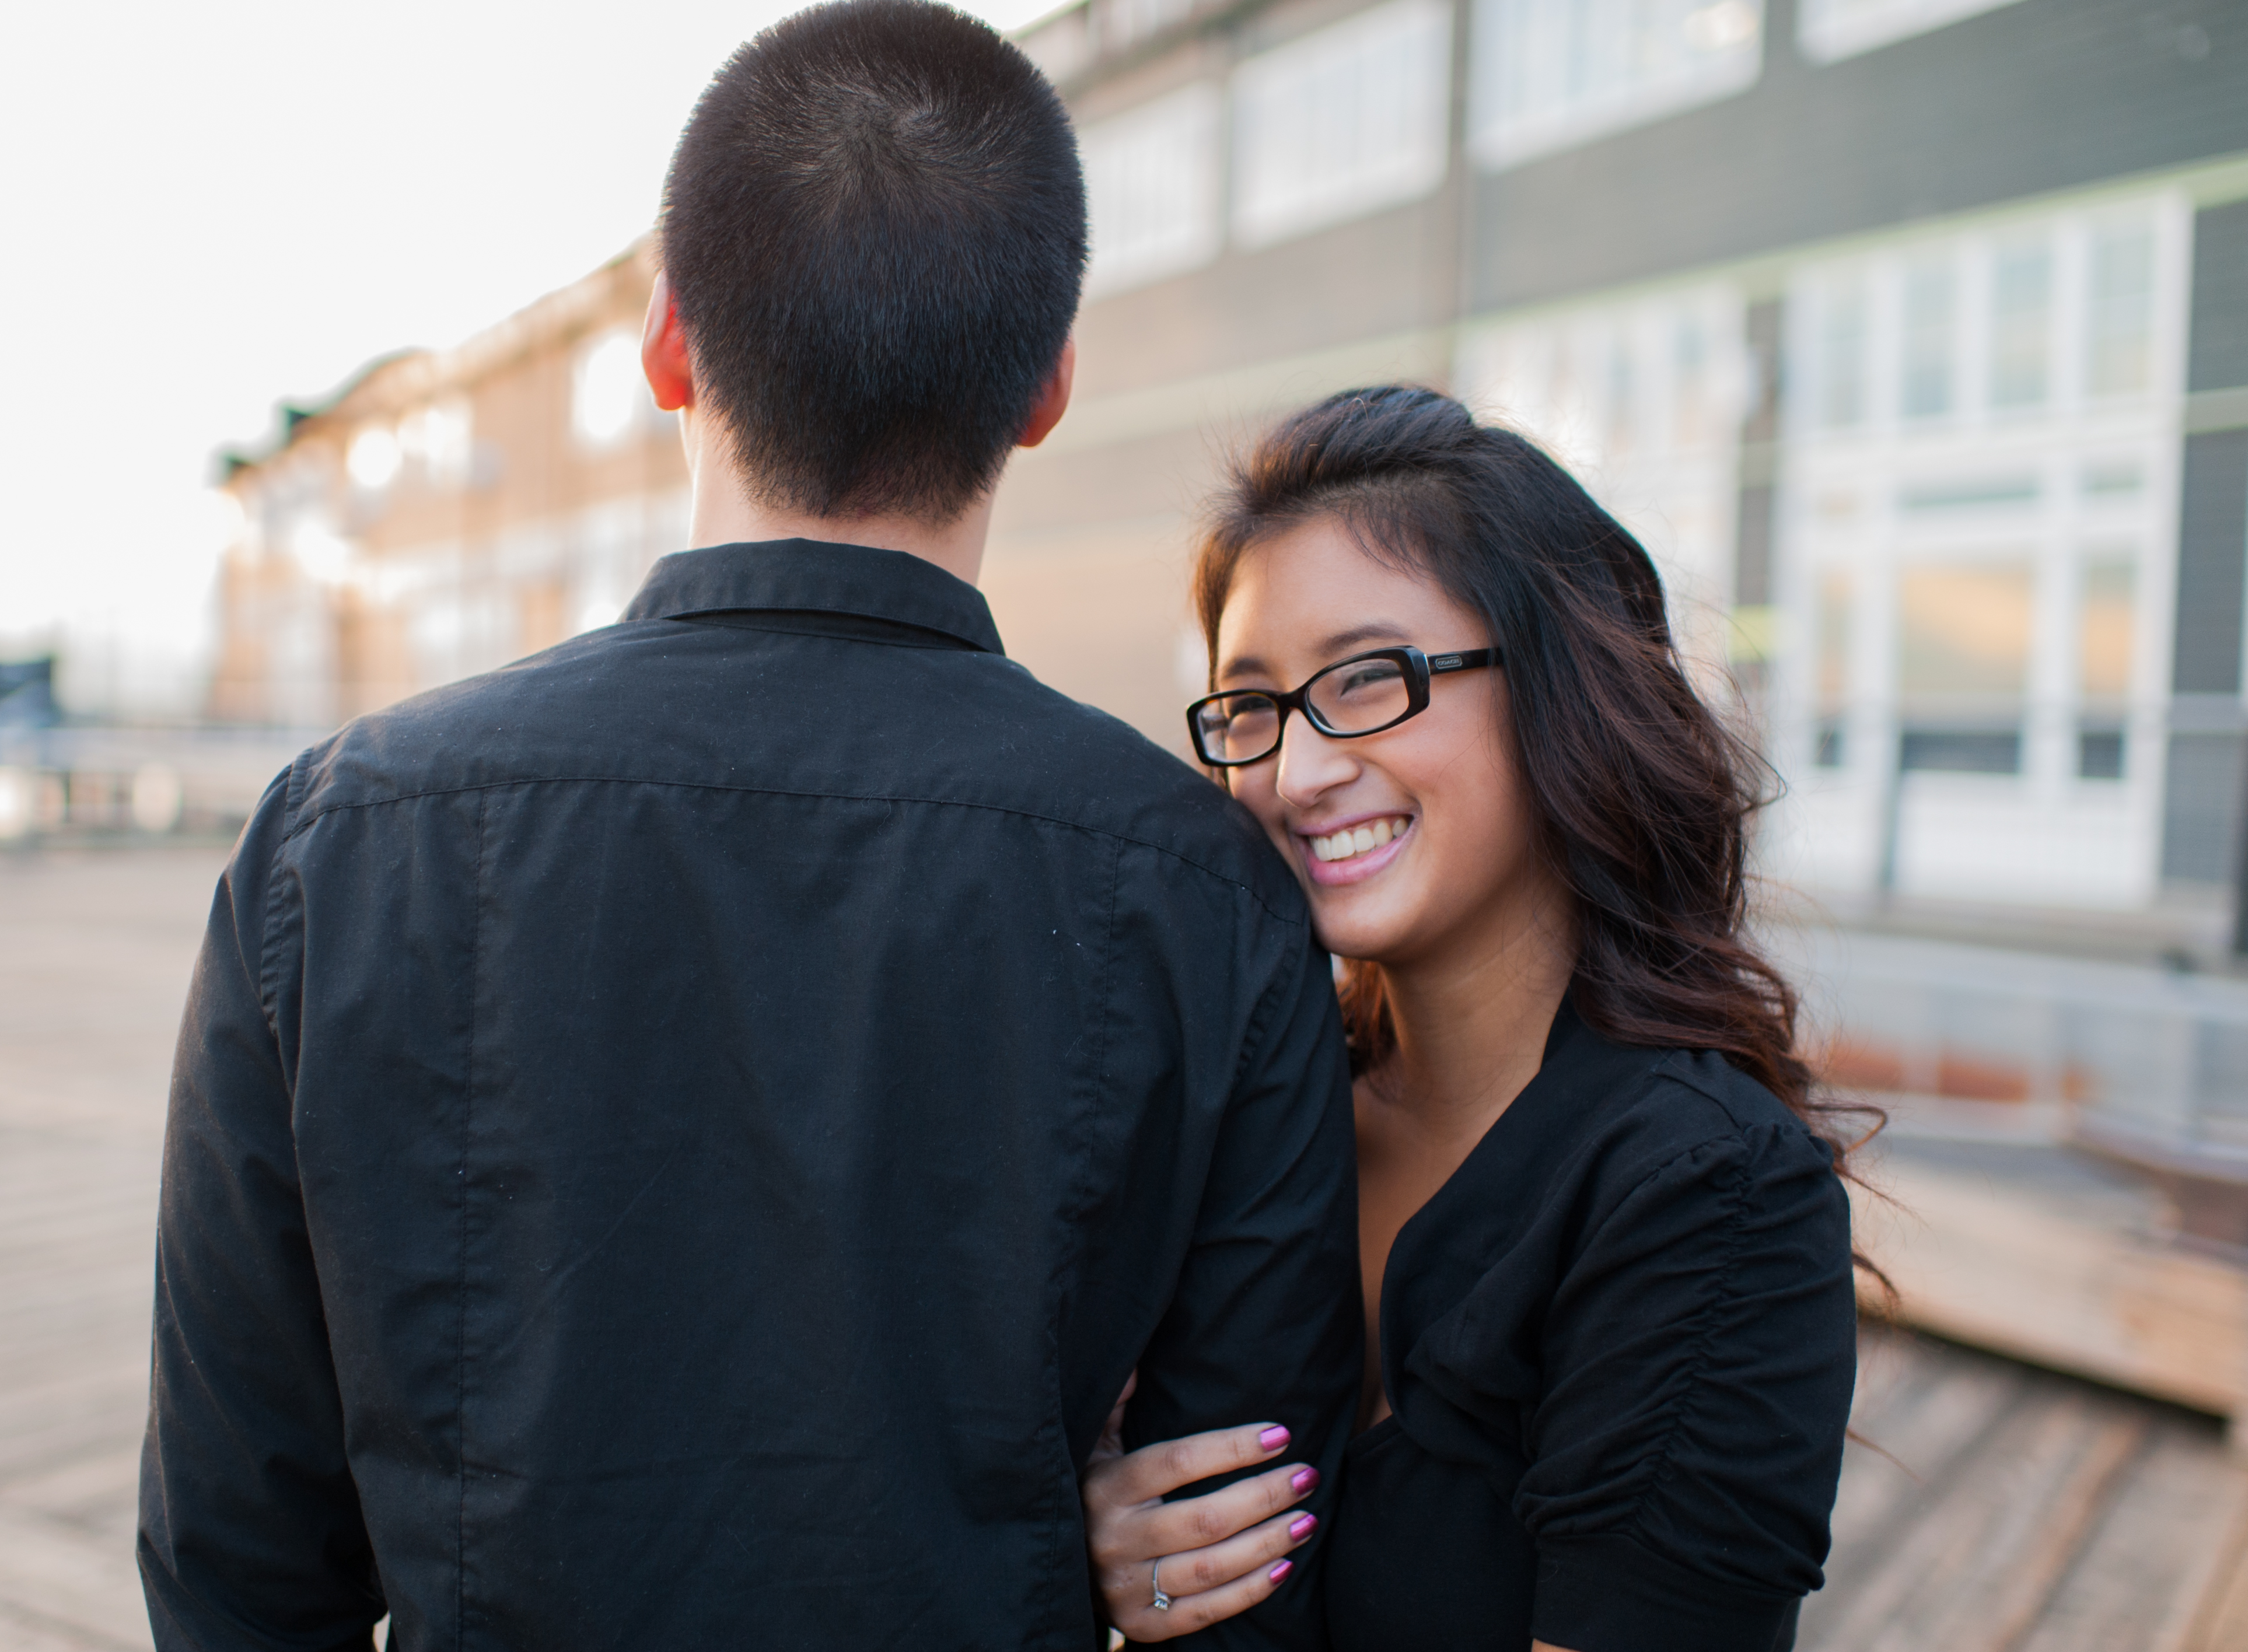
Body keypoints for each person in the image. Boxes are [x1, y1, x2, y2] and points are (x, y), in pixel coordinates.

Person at [137, 4, 1363, 1647]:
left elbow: (236, 1554)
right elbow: (1237, 1550)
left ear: (667, 350)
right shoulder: (1209, 892)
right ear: (1048, 390)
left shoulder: (340, 842)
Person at [1081, 387, 1863, 1652]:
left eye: (1367, 679)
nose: (1295, 771)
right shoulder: (1252, 1114)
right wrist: (1116, 1554)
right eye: (1252, 707)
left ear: (1559, 684)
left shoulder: (1708, 1195)